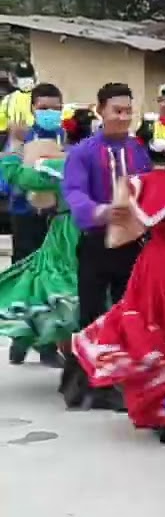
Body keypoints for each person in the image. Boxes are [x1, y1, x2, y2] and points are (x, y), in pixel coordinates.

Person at [71, 116, 165, 443]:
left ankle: (161, 411)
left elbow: (119, 236)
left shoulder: (138, 183)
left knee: (155, 335)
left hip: (152, 262)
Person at [59, 82, 152, 411]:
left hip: (131, 243)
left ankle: (116, 379)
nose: (124, 117)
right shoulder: (83, 152)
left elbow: (149, 185)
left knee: (126, 312)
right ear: (101, 111)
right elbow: (73, 193)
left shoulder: (138, 150)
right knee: (91, 312)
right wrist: (99, 211)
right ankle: (82, 382)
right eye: (118, 111)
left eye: (128, 111)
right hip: (97, 242)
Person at [0, 108, 96, 367]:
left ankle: (66, 356)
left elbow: (18, 175)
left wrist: (16, 144)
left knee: (52, 288)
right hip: (101, 230)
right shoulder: (107, 160)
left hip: (66, 234)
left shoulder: (62, 166)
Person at [2, 82, 71, 366]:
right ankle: (20, 339)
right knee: (26, 275)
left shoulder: (65, 138)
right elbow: (6, 181)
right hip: (24, 215)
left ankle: (45, 345)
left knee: (48, 280)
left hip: (56, 221)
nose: (50, 113)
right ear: (32, 109)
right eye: (44, 108)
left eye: (56, 108)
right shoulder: (21, 138)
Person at [0, 61, 37, 139]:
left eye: (28, 76)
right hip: (14, 141)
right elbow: (1, 125)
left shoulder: (41, 95)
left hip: (37, 140)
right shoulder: (8, 100)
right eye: (22, 77)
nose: (25, 80)